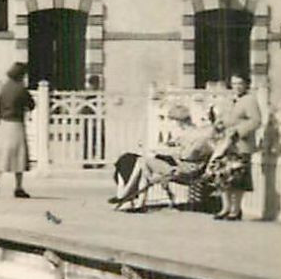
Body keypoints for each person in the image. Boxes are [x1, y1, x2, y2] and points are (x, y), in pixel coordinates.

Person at [109, 105, 223, 212]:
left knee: (142, 162)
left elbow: (188, 155)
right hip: (185, 167)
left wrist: (172, 153)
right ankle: (137, 202)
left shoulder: (197, 136)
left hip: (186, 170)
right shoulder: (192, 133)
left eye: (173, 121)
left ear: (179, 121)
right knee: (144, 166)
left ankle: (126, 196)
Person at [213, 73, 262, 221]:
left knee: (237, 176)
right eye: (234, 84)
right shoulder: (229, 100)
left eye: (240, 84)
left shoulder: (250, 101)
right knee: (222, 174)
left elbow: (255, 121)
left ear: (246, 84)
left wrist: (239, 131)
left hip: (241, 143)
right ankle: (225, 208)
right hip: (226, 143)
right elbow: (224, 117)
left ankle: (236, 209)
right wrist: (219, 124)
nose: (237, 87)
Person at [0, 62, 34, 198]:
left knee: (2, 156)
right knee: (19, 156)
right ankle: (18, 187)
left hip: (3, 124)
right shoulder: (21, 89)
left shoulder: (4, 88)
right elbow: (31, 104)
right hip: (16, 124)